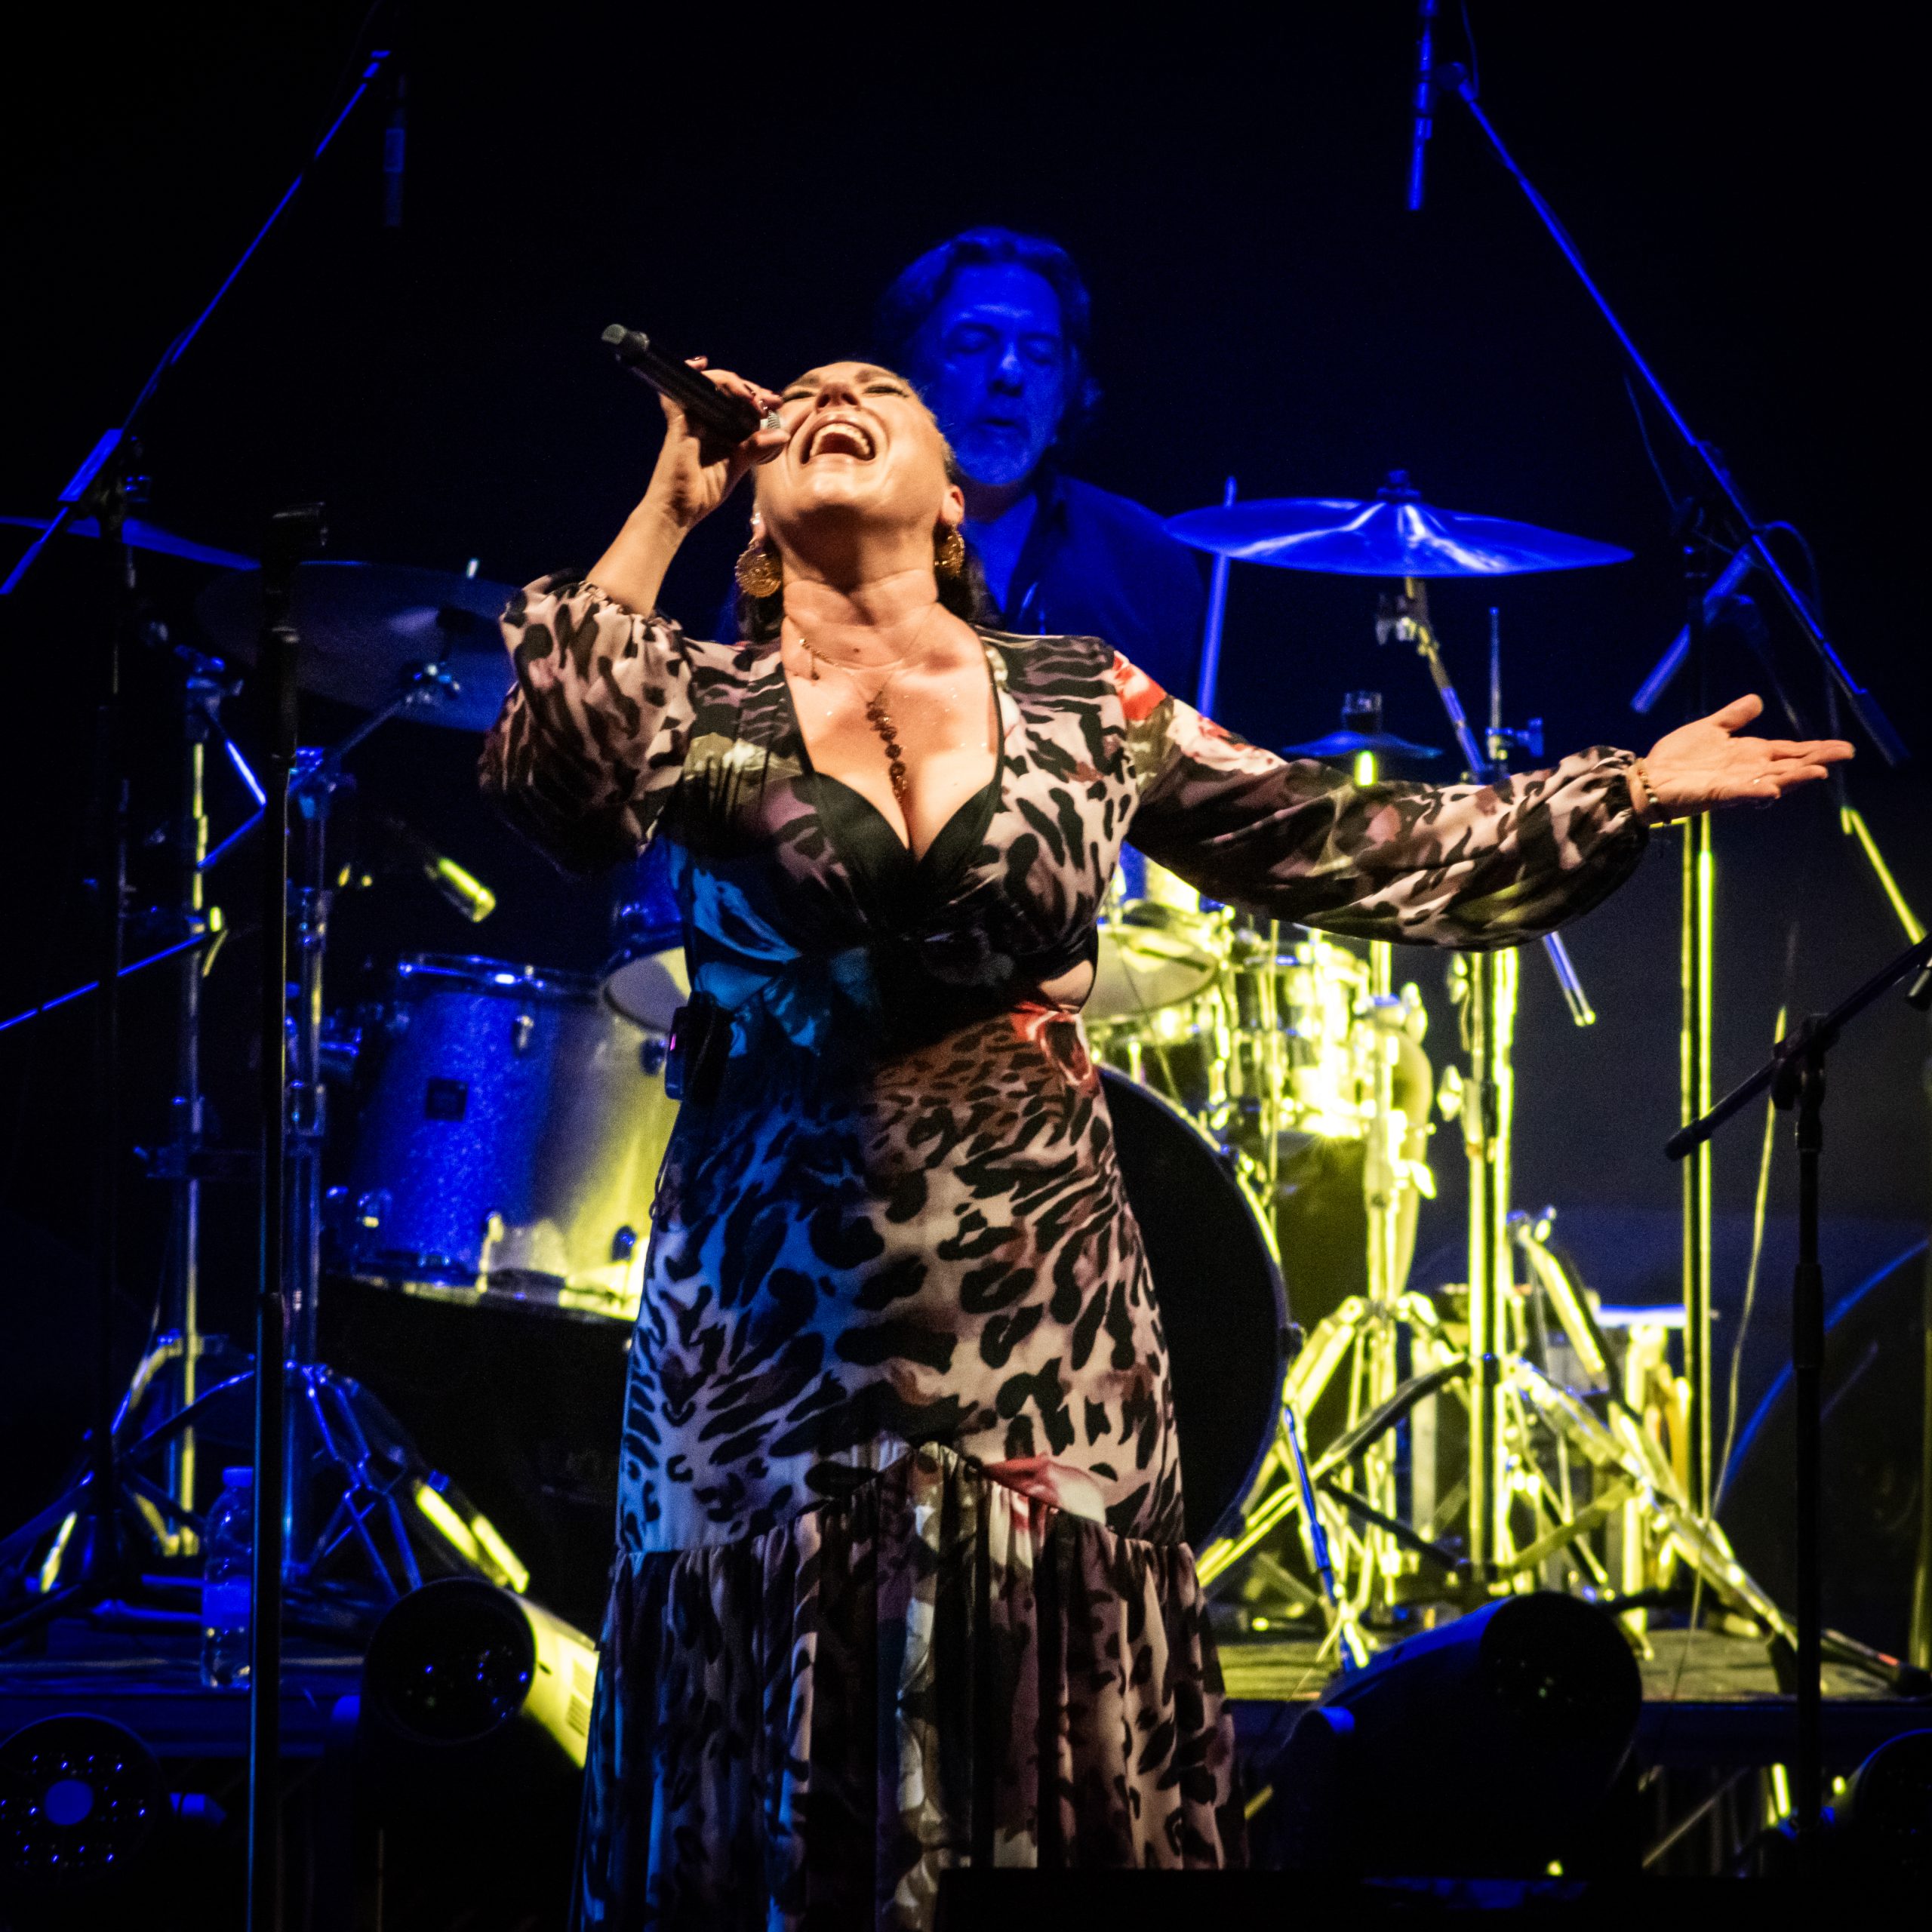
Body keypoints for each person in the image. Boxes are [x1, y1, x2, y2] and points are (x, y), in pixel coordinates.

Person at [480, 356, 1848, 1930]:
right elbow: (553, 772)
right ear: (760, 520)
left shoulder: (1081, 700)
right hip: (765, 1315)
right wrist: (668, 497)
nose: (840, 393)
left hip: (1038, 1308)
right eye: (813, 396)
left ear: (951, 502)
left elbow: (1341, 837)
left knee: (1043, 1709)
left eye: (882, 394)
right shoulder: (697, 697)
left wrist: (1626, 788)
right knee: (772, 1708)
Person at [875, 226, 1208, 696]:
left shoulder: (1149, 559)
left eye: (1039, 354)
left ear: (1066, 391)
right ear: (905, 371)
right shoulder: (820, 535)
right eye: (973, 343)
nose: (1010, 373)